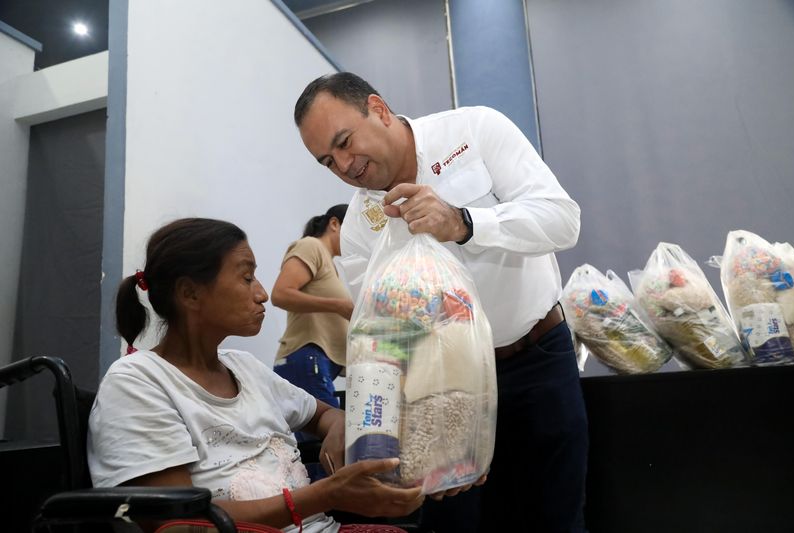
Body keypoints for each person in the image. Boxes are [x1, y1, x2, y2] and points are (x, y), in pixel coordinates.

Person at [294, 73, 589, 532]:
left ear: (379, 109)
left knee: (554, 519)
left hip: (534, 360)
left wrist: (465, 222)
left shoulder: (473, 132)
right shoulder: (357, 229)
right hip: (441, 397)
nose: (345, 165)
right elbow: (383, 345)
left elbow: (562, 220)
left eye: (346, 142)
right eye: (327, 160)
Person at [87, 217, 423, 532]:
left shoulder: (244, 367)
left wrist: (338, 426)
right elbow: (179, 522)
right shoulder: (138, 382)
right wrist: (328, 494)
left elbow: (325, 415)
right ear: (190, 293)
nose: (262, 293)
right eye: (247, 278)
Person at [271, 204, 352, 411]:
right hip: (307, 358)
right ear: (334, 224)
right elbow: (281, 294)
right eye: (353, 230)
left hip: (318, 364)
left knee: (323, 439)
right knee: (333, 436)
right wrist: (337, 306)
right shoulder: (311, 246)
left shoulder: (331, 264)